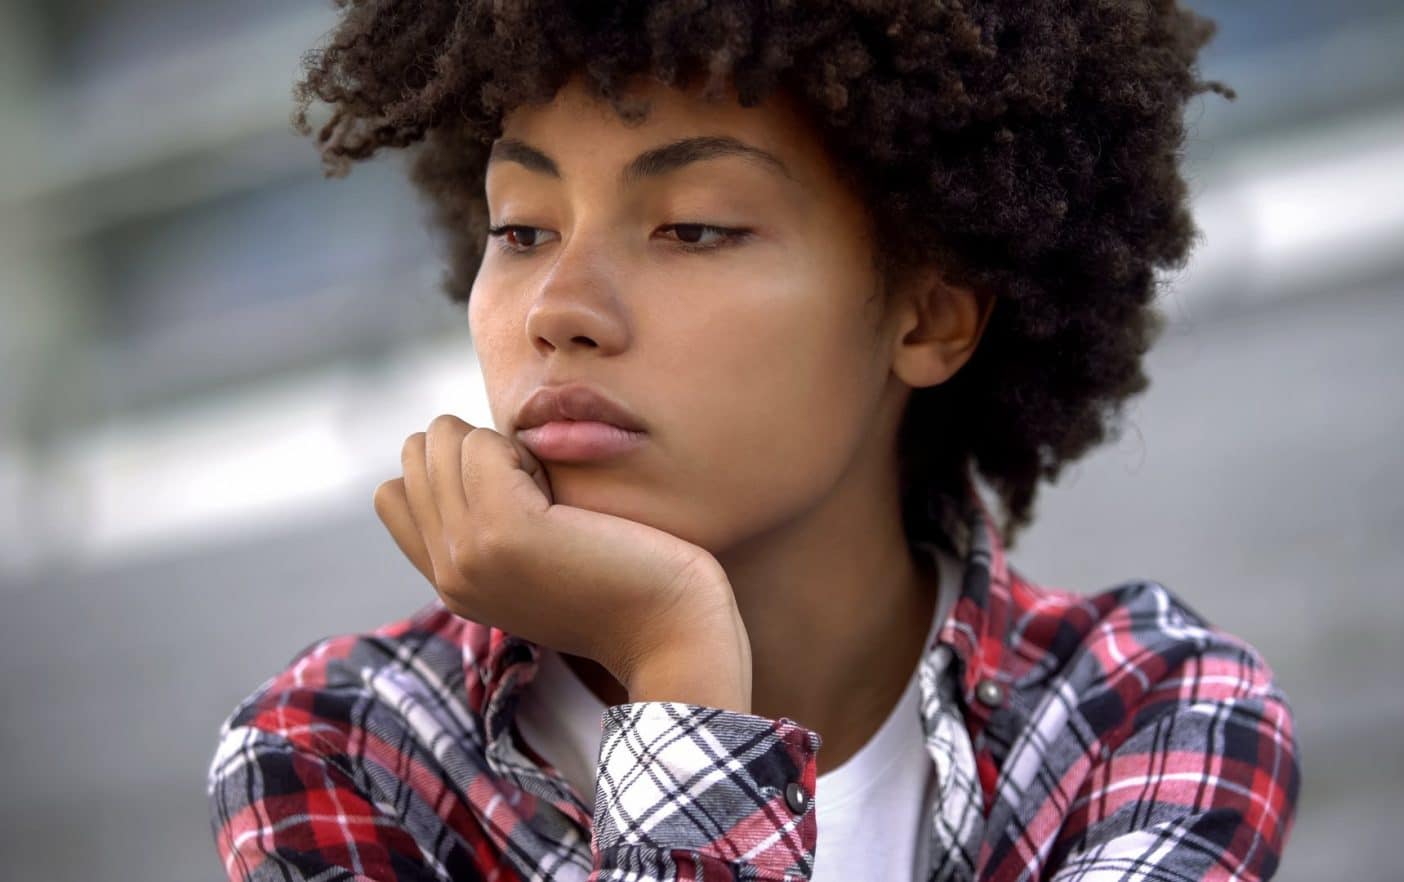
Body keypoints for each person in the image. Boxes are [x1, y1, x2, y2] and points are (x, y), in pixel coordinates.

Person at [206, 2, 1299, 880]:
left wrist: (669, 658)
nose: (558, 306)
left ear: (928, 314)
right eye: (522, 228)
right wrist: (674, 650)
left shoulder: (1143, 713)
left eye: (692, 227)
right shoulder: (342, 753)